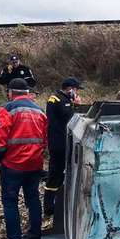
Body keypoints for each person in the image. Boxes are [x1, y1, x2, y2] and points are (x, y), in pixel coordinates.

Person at [0, 78, 47, 239]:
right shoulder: (40, 111)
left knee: (10, 203)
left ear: (10, 92)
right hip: (34, 164)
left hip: (12, 164)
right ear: (27, 92)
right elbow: (45, 139)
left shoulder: (7, 109)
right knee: (33, 200)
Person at [44, 77, 83, 216]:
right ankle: (49, 206)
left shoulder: (63, 99)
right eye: (76, 90)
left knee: (62, 173)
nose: (77, 93)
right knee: (56, 173)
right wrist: (76, 105)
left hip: (64, 142)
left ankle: (59, 203)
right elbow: (70, 119)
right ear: (70, 89)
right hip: (58, 143)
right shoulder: (57, 99)